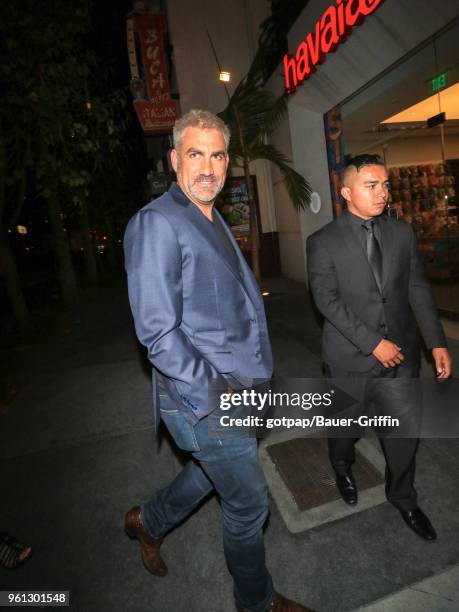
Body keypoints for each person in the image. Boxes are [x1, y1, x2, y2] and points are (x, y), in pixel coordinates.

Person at [123, 109, 314, 612]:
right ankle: (257, 602)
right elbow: (158, 332)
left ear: (227, 161)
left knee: (212, 475)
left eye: (217, 155)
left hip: (238, 387)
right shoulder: (157, 223)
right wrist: (221, 393)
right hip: (207, 400)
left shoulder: (208, 216)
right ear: (174, 159)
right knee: (248, 502)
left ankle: (149, 520)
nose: (207, 167)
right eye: (195, 154)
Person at [307, 154, 452, 541]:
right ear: (346, 192)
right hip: (349, 359)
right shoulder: (322, 242)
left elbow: (417, 289)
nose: (382, 193)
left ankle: (403, 498)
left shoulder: (401, 234)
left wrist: (435, 342)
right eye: (371, 185)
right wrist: (374, 344)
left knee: (405, 433)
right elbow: (327, 301)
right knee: (344, 428)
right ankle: (341, 466)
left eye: (385, 185)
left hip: (402, 356)